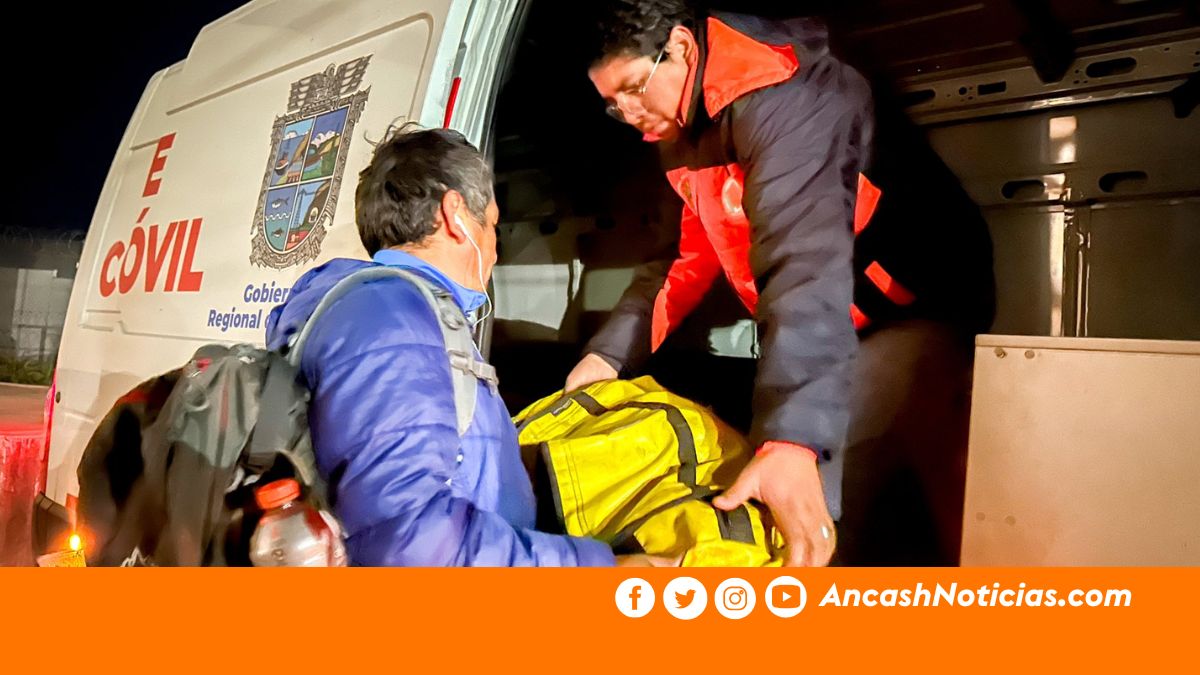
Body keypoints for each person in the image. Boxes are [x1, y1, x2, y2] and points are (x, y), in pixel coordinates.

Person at [569, 1, 995, 565]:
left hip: (912, 302)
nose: (628, 113)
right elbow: (681, 259)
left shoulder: (785, 94)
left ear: (682, 48)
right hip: (837, 318)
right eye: (611, 103)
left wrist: (792, 442)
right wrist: (604, 359)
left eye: (633, 88)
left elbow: (803, 261)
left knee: (824, 477)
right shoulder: (678, 131)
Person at [266, 125, 654, 566]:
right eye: (492, 225)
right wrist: (596, 568)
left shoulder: (395, 313)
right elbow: (411, 543)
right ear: (455, 215)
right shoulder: (392, 321)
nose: (494, 251)